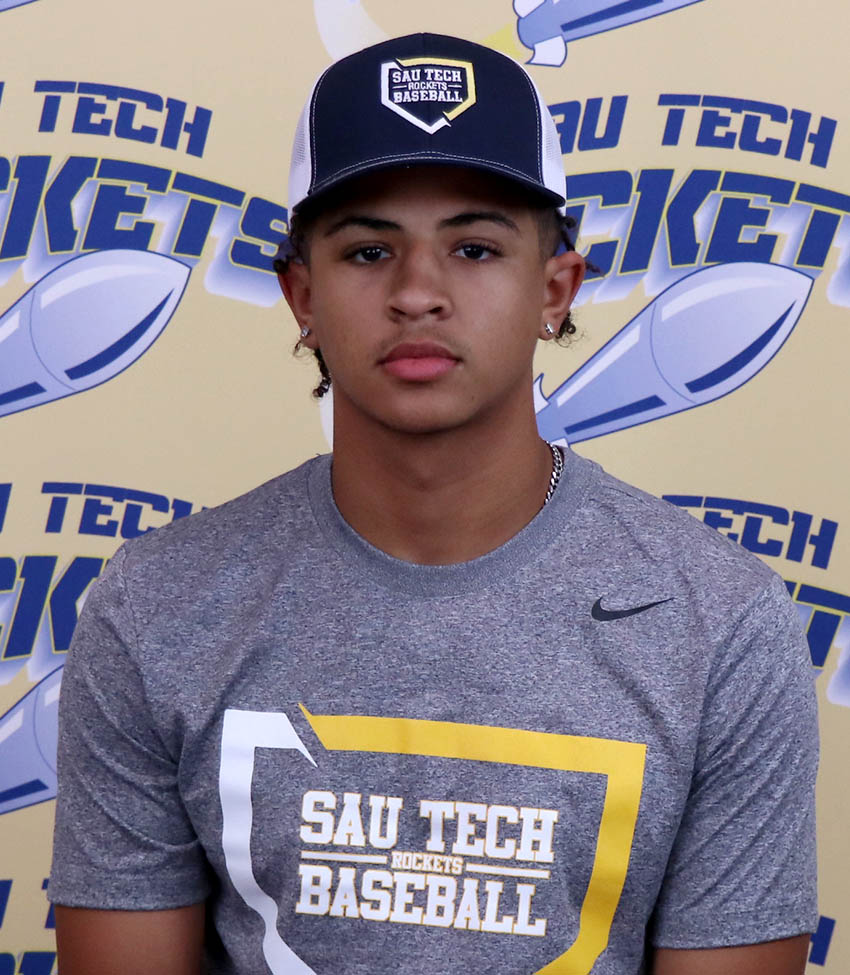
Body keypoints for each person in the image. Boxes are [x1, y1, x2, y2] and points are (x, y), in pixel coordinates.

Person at [50, 32, 818, 975]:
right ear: (301, 295)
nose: (418, 293)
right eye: (369, 249)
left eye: (475, 248)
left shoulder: (720, 622)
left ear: (555, 288)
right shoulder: (159, 605)